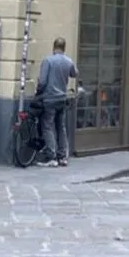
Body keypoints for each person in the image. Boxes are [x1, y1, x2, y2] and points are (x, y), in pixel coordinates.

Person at [36, 36, 77, 167]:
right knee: (61, 127)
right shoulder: (68, 61)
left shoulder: (48, 61)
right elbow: (74, 73)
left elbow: (42, 82)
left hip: (49, 98)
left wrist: (38, 91)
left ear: (53, 47)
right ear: (64, 48)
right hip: (62, 98)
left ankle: (51, 155)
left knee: (47, 126)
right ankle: (63, 156)